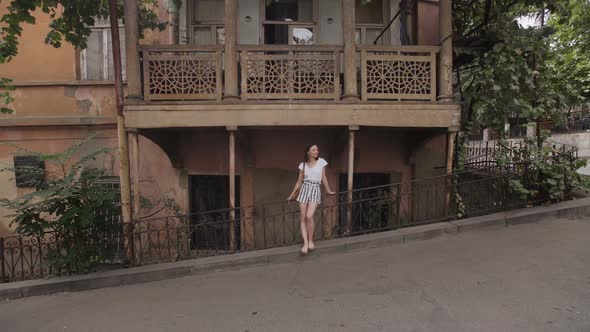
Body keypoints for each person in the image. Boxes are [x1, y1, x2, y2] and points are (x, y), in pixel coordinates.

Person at [287, 145, 335, 255]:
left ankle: (311, 240)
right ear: (308, 152)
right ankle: (305, 243)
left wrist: (328, 190)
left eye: (317, 149)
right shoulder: (302, 165)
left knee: (309, 216)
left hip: (315, 189)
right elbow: (299, 182)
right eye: (314, 150)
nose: (316, 151)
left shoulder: (322, 162)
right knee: (303, 218)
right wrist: (291, 195)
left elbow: (324, 178)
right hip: (304, 190)